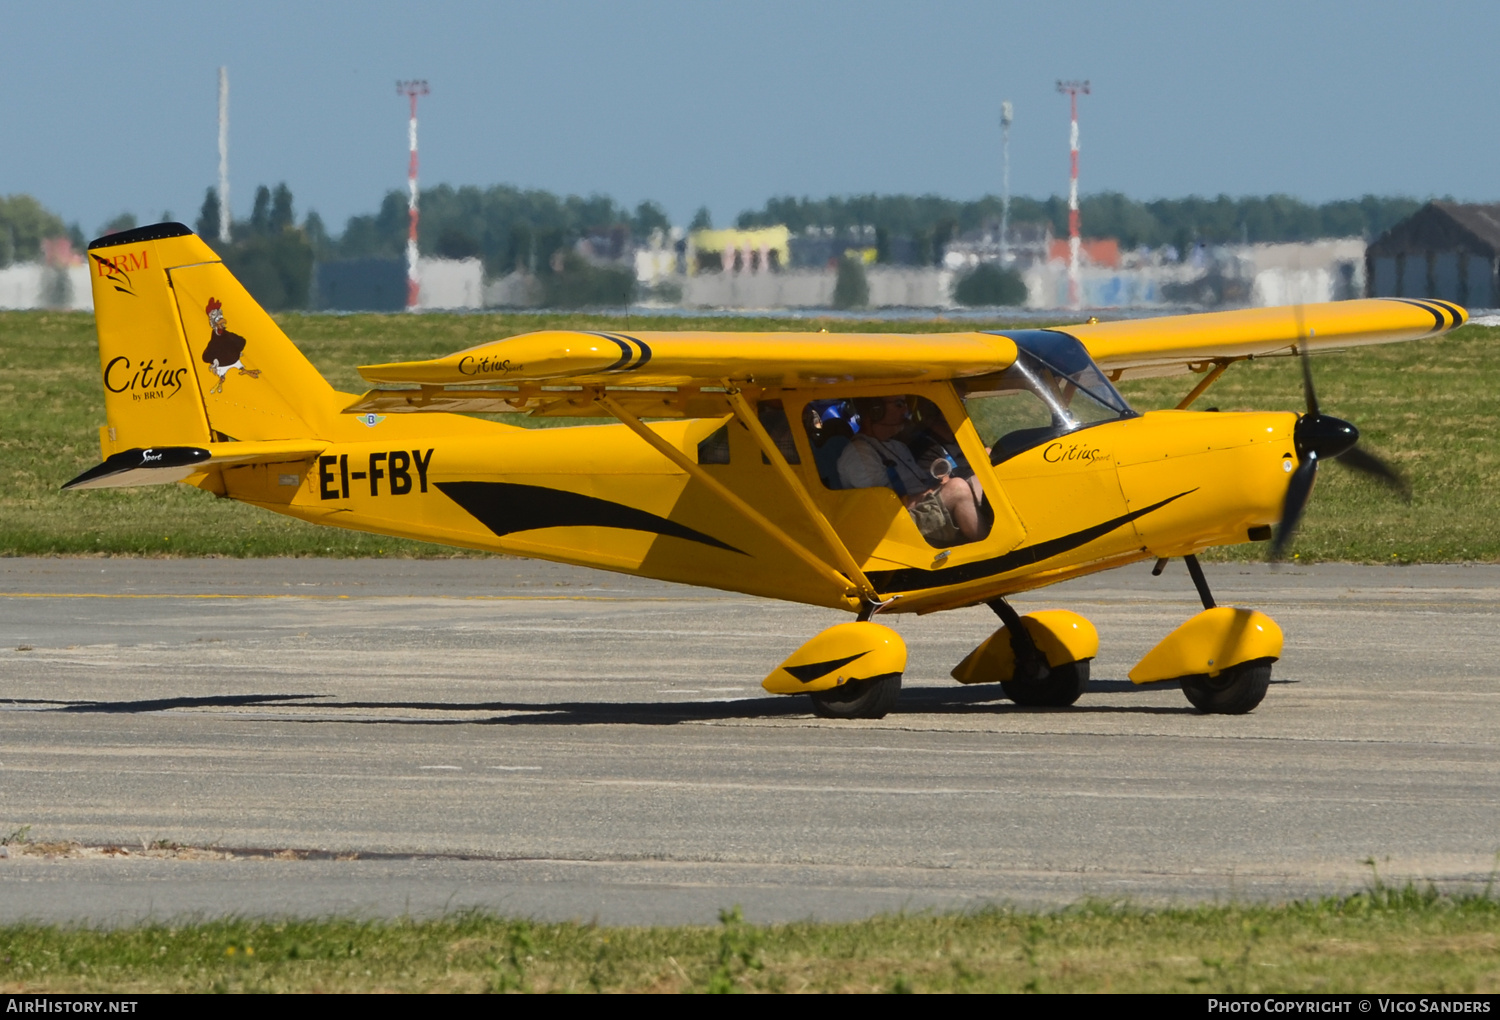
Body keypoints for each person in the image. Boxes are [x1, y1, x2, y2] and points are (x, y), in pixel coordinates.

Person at [836, 395, 986, 546]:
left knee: (982, 478)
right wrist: (938, 490)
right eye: (899, 404)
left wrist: (939, 482)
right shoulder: (859, 454)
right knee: (957, 488)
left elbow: (920, 482)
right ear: (876, 410)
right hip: (897, 525)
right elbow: (882, 510)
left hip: (919, 509)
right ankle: (990, 552)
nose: (906, 410)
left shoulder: (897, 446)